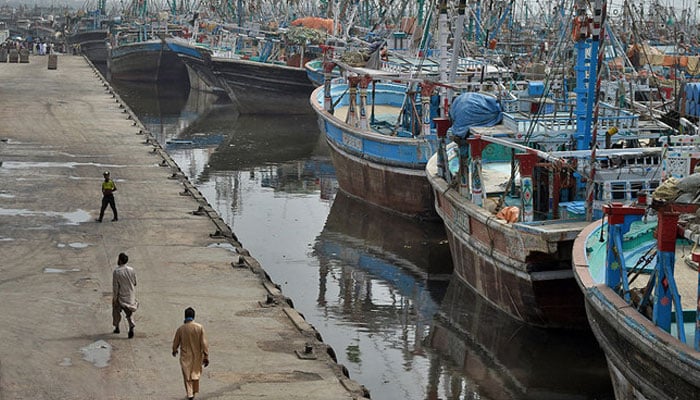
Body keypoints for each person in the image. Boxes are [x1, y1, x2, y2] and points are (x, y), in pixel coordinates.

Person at [172, 307, 209, 400]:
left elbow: (176, 341)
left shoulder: (181, 329)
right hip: (197, 355)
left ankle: (190, 393)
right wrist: (206, 355)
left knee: (187, 375)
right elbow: (204, 343)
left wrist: (174, 350)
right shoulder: (199, 328)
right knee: (195, 374)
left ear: (185, 316)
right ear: (193, 316)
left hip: (185, 356)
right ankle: (193, 392)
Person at [112, 252, 137, 338]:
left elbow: (115, 287)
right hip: (130, 296)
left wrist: (115, 299)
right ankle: (131, 325)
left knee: (116, 311)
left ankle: (117, 327)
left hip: (121, 296)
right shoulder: (131, 270)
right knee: (129, 313)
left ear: (120, 260)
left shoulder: (116, 272)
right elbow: (134, 282)